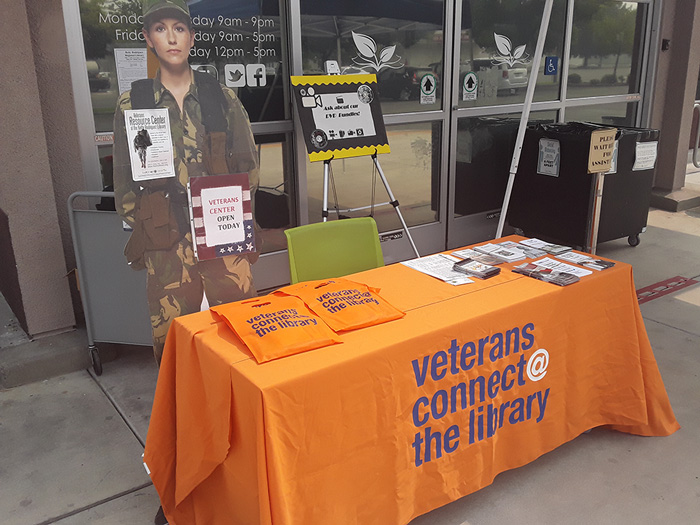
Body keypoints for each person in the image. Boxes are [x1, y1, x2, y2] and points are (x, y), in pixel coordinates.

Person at [113, 0, 260, 365]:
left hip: (222, 232)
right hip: (165, 238)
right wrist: (147, 226)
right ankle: (184, 413)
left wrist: (229, 216)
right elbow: (125, 178)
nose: (171, 38)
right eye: (161, 29)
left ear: (191, 38)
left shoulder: (220, 98)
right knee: (174, 340)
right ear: (148, 39)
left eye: (178, 29)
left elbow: (247, 168)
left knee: (241, 329)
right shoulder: (134, 103)